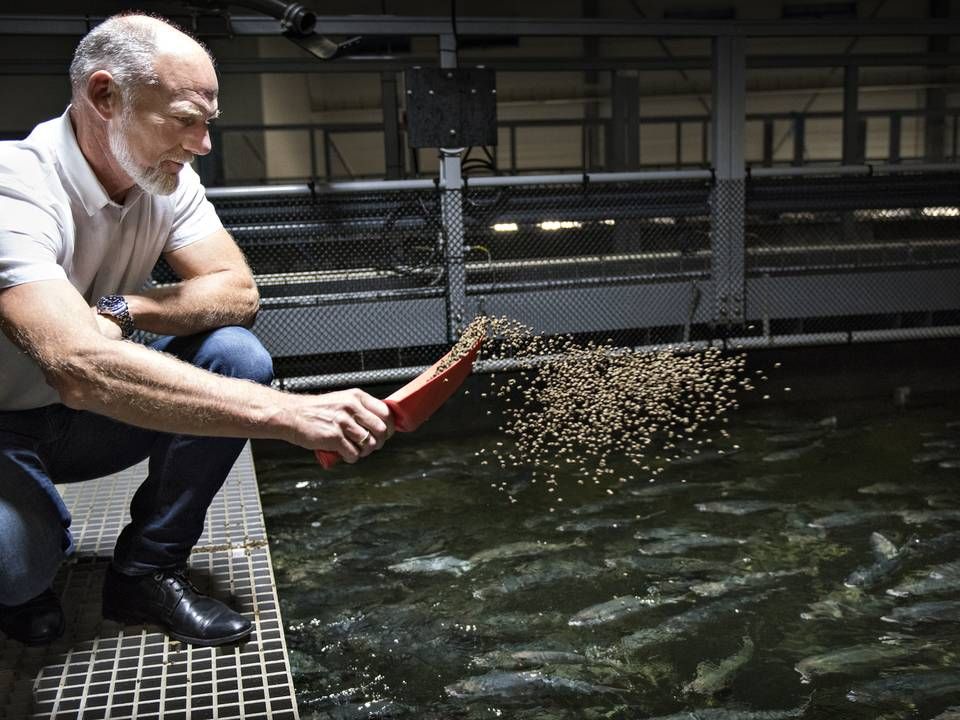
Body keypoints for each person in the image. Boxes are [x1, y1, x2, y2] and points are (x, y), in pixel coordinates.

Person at [0, 13, 393, 648]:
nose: (202, 142)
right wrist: (290, 414)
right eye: (186, 118)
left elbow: (236, 293)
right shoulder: (13, 187)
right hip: (6, 420)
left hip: (87, 417)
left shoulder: (166, 179)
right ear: (105, 97)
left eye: (206, 122)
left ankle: (145, 571)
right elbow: (75, 364)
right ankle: (27, 569)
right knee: (16, 565)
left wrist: (128, 309)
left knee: (236, 354)